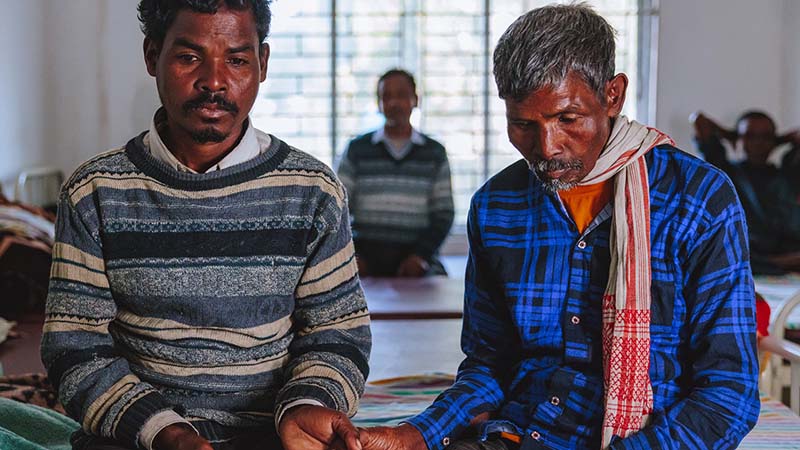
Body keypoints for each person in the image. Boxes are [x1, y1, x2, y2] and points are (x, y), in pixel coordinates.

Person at [358, 4, 759, 450]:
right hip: (516, 435)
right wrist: (416, 434)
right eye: (523, 124)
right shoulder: (496, 207)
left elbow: (729, 396)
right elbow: (489, 365)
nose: (547, 148)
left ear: (613, 95)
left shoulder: (698, 199)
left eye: (567, 118)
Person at [40, 1, 370, 450]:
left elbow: (338, 331)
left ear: (264, 63)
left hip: (273, 434)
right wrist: (164, 431)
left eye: (236, 60)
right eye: (189, 57)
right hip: (140, 437)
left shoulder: (312, 192)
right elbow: (74, 344)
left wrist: (307, 404)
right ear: (152, 56)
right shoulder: (94, 192)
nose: (214, 82)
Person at [337, 69, 455, 277]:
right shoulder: (357, 150)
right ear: (378, 103)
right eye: (387, 96)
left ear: (415, 100)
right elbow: (337, 210)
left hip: (418, 260)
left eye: (401, 95)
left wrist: (420, 256)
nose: (394, 103)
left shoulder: (434, 153)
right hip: (363, 258)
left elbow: (443, 214)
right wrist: (353, 255)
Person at [691, 111, 800, 273]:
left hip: (787, 254)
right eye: (750, 136)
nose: (758, 142)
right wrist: (729, 135)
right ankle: (773, 264)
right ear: (739, 138)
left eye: (766, 137)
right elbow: (699, 120)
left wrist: (780, 140)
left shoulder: (786, 175)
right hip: (746, 257)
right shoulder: (726, 172)